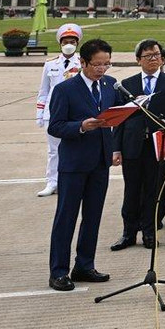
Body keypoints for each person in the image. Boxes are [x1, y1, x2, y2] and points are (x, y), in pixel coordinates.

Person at [47, 37, 117, 291]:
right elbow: (55, 126)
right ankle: (59, 271)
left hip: (100, 162)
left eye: (106, 64)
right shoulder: (65, 89)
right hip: (74, 163)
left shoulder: (110, 85)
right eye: (97, 64)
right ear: (83, 62)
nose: (102, 69)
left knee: (93, 216)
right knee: (66, 217)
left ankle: (85, 265)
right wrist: (80, 126)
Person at [110, 39, 165, 251]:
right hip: (132, 145)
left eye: (157, 55)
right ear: (138, 60)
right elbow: (119, 120)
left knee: (153, 190)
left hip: (158, 145)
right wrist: (116, 148)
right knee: (131, 190)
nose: (153, 59)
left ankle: (149, 232)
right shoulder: (127, 84)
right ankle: (128, 233)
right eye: (148, 56)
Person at [35, 24, 85, 197]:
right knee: (53, 150)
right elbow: (43, 91)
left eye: (72, 41)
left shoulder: (82, 63)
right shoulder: (50, 64)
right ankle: (52, 182)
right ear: (60, 43)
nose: (69, 45)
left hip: (75, 112)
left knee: (76, 149)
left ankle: (72, 182)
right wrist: (40, 113)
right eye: (65, 42)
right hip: (53, 112)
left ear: (77, 44)